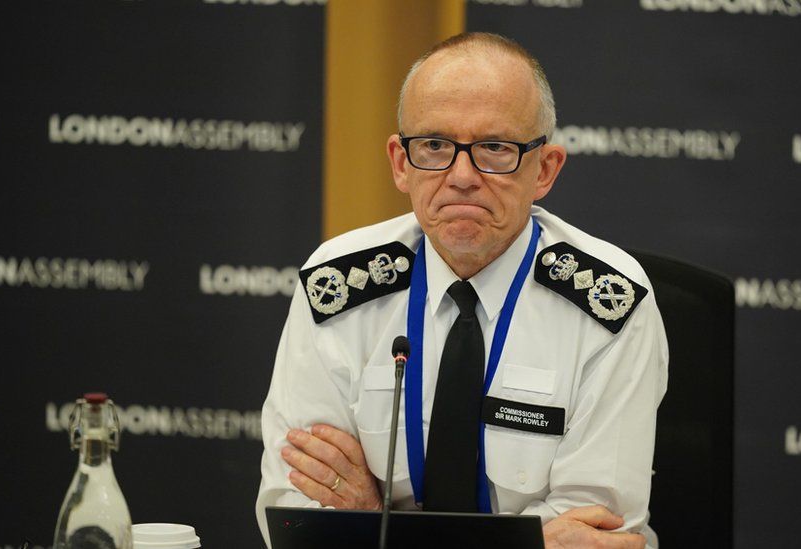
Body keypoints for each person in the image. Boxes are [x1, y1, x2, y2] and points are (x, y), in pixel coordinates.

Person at [256, 32, 668, 549]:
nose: (462, 176)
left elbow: (594, 533)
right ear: (400, 163)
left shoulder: (611, 303)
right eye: (434, 145)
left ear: (545, 169)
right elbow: (297, 514)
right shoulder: (337, 286)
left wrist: (373, 517)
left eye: (495, 148)